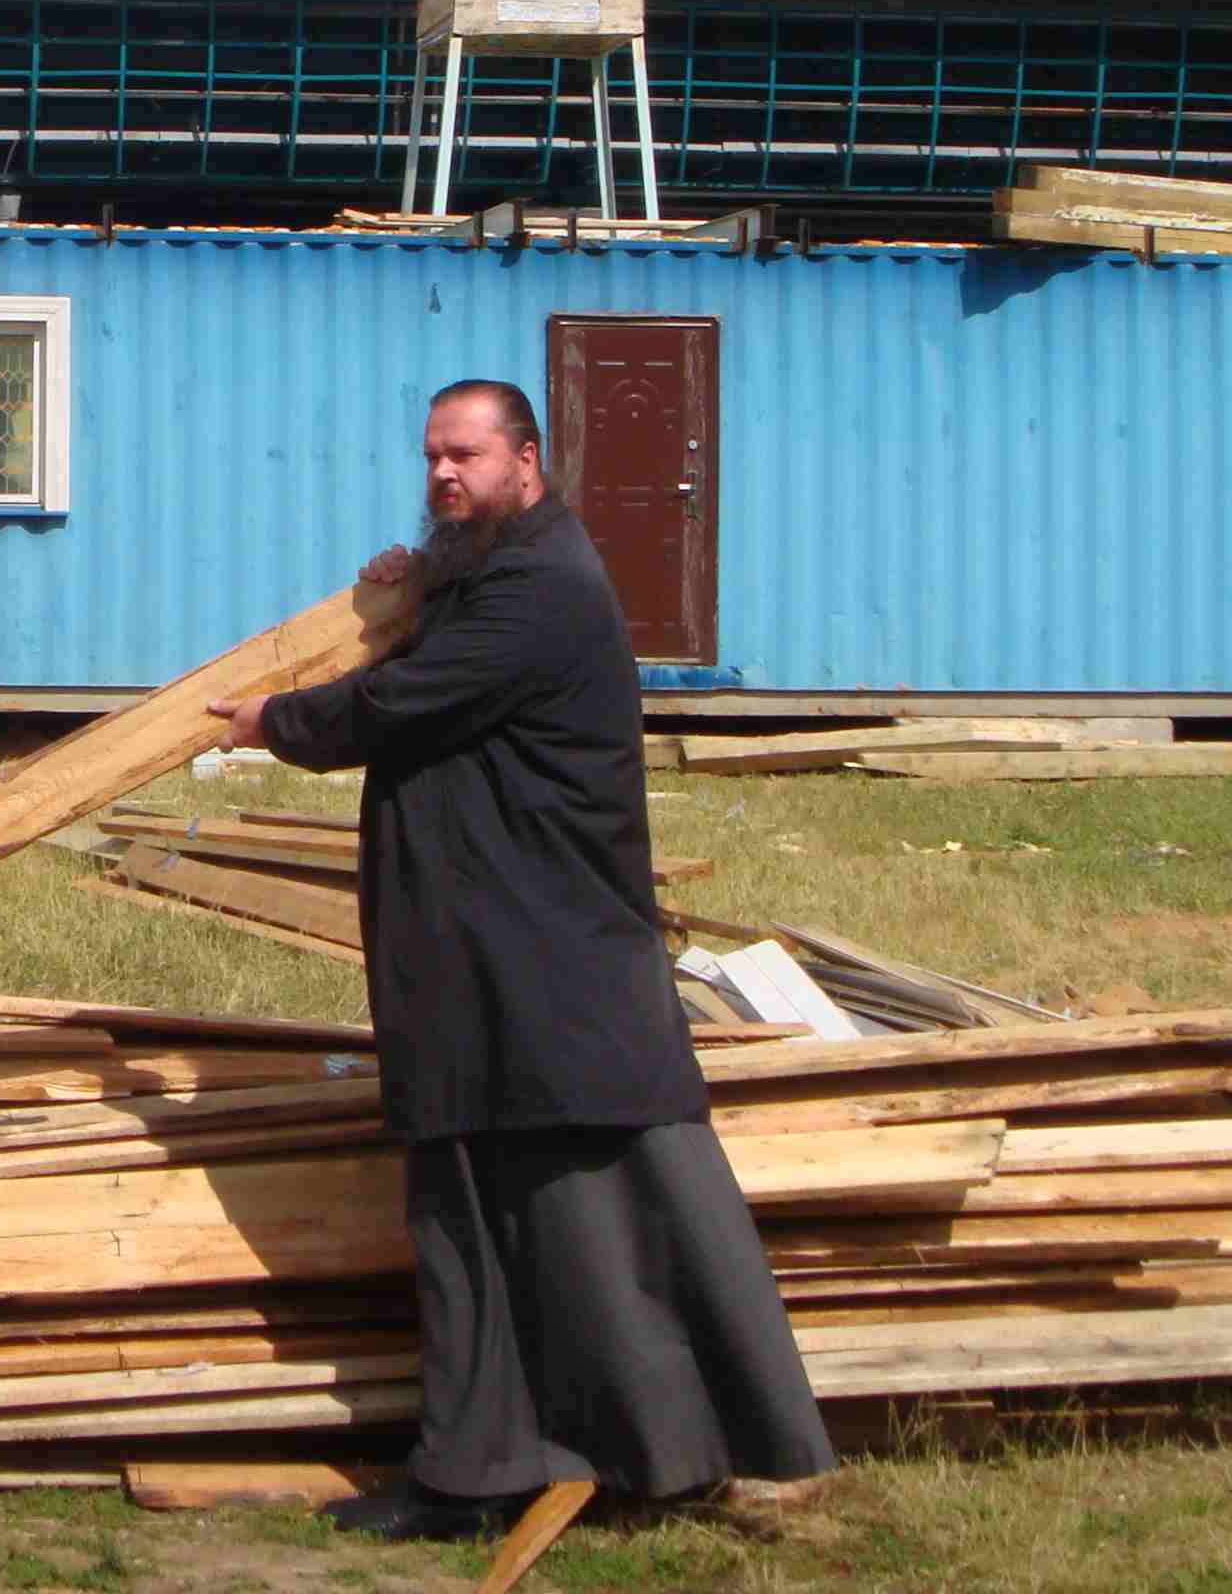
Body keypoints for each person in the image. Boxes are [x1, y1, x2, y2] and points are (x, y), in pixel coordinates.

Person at [207, 378, 832, 1539]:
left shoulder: (544, 587)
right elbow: (444, 631)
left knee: (591, 1219)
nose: (445, 473)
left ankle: (650, 1452)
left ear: (528, 461)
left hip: (547, 963)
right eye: (432, 457)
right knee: (467, 1219)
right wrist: (410, 581)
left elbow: (398, 704)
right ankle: (478, 1470)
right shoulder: (496, 567)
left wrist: (273, 722)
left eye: (467, 456)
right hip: (481, 958)